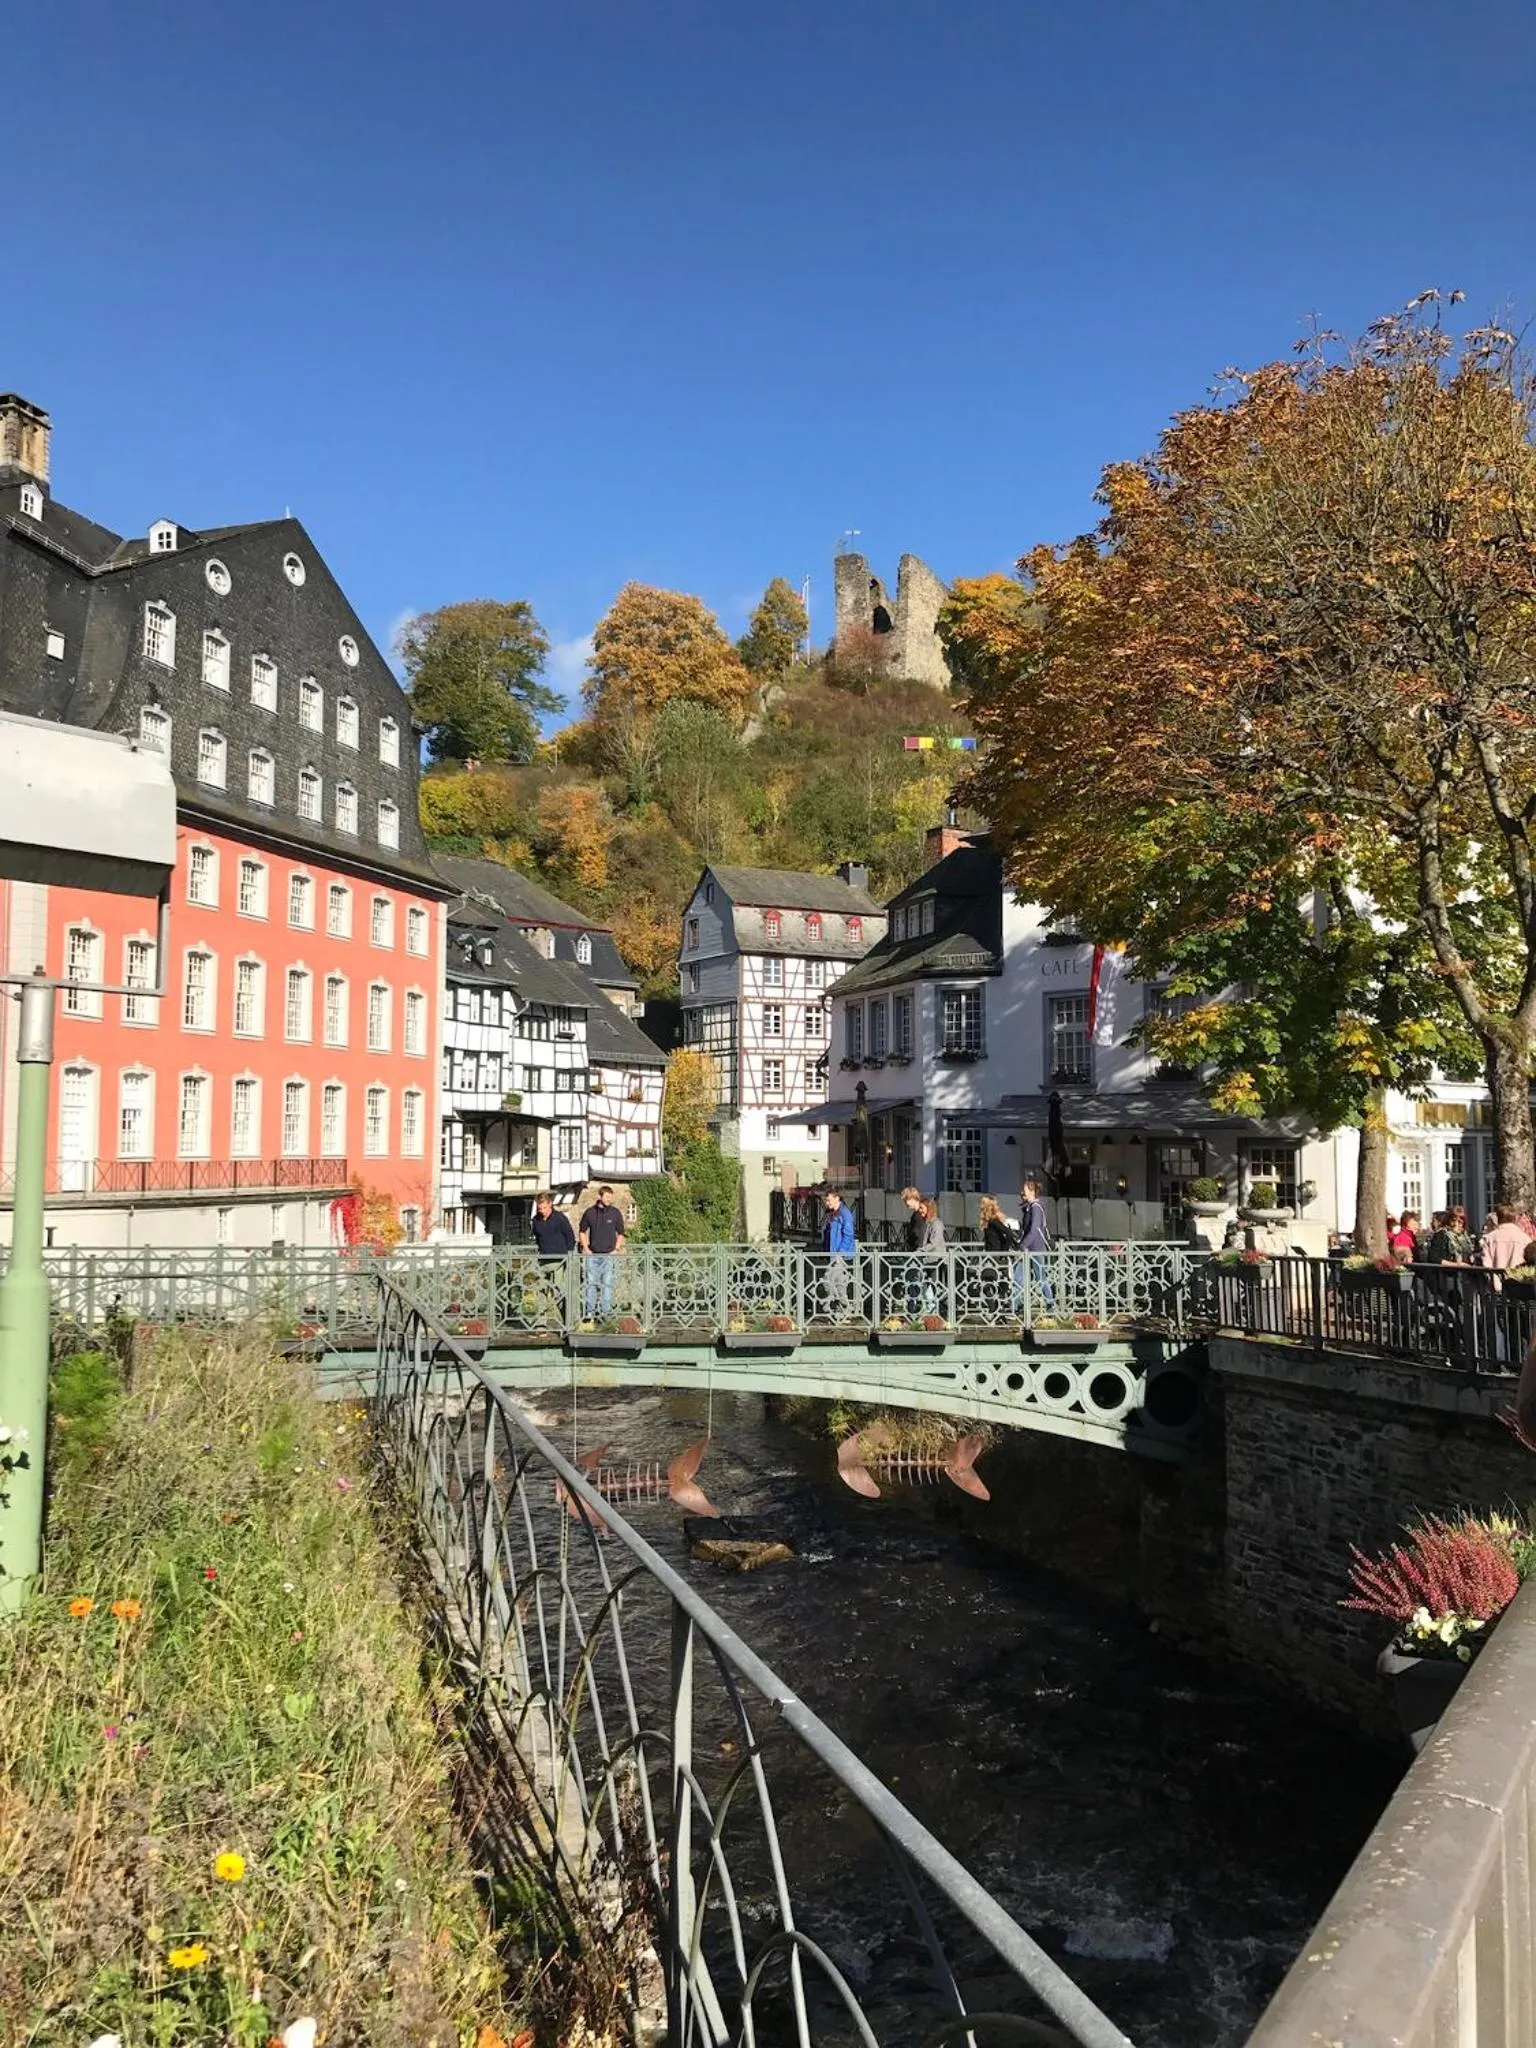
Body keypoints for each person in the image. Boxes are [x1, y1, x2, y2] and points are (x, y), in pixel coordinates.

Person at [578, 1184, 626, 1318]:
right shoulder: (590, 1212)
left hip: (609, 1255)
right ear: (600, 1196)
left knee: (607, 1283)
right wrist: (586, 1248)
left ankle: (606, 1313)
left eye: (611, 1197)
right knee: (590, 1284)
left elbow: (621, 1233)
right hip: (593, 1255)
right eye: (607, 1197)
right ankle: (590, 1313)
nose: (609, 1199)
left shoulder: (615, 1213)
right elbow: (582, 1231)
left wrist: (616, 1249)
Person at [1018, 1176, 1055, 1309]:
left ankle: (1050, 1305)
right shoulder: (1030, 1207)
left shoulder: (1036, 1207)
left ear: (1032, 1191)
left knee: (1041, 1278)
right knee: (1018, 1278)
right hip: (1029, 1248)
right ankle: (1014, 1308)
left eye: (1025, 1190)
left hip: (1035, 1248)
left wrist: (1023, 1245)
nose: (1023, 1193)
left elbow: (1034, 1230)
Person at [821, 1190, 856, 1319]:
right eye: (826, 1200)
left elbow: (848, 1235)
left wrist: (840, 1253)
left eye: (829, 1200)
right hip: (833, 1254)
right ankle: (841, 1310)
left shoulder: (844, 1213)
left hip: (839, 1255)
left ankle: (845, 1309)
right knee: (836, 1282)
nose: (827, 1202)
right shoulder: (832, 1214)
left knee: (830, 1281)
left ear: (837, 1199)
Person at [1480, 1204, 1532, 1280]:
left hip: (1496, 1285)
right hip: (1519, 1284)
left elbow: (1486, 1265)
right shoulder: (1525, 1239)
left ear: (1498, 1218)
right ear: (1515, 1218)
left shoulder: (1489, 1238)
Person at [530, 1191, 576, 1260]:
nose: (542, 1211)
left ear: (550, 1204)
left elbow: (570, 1237)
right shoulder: (535, 1220)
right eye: (540, 1208)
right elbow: (537, 1237)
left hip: (561, 1258)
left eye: (544, 1208)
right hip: (544, 1258)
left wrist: (569, 1256)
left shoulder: (560, 1218)